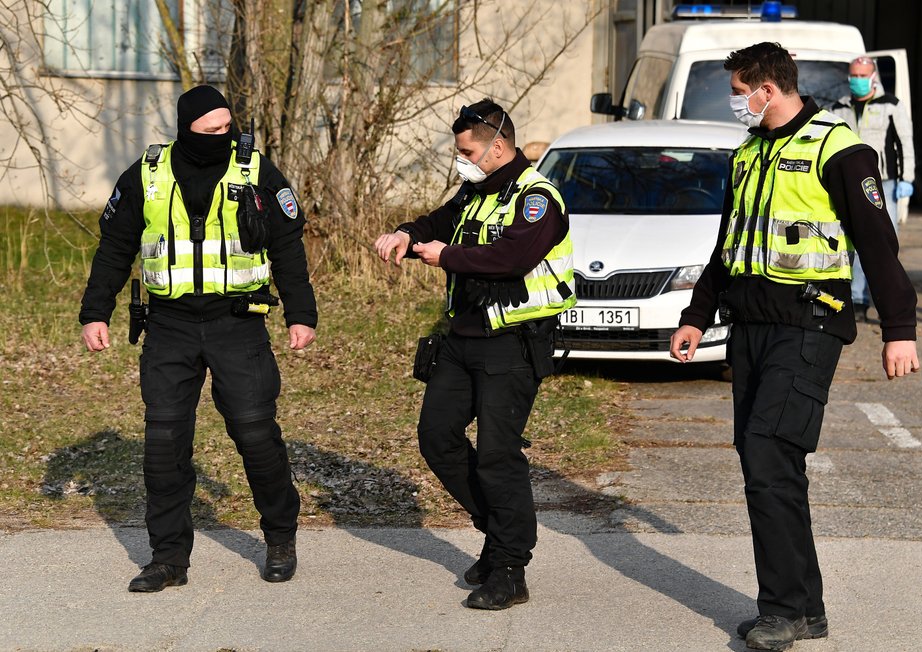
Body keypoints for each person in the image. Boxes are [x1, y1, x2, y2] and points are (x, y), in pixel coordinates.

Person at [669, 43, 919, 651]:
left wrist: (900, 329)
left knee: (767, 453)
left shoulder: (840, 148)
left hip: (810, 325)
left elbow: (878, 245)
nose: (736, 102)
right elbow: (727, 248)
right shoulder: (747, 155)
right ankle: (805, 607)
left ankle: (783, 610)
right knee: (771, 465)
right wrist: (695, 317)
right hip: (751, 328)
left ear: (768, 88)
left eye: (739, 90)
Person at [79, 85, 317, 592]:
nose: (222, 138)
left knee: (256, 436)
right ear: (186, 128)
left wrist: (302, 314)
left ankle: (280, 537)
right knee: (164, 445)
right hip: (169, 326)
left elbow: (288, 246)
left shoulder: (256, 170)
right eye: (211, 131)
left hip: (239, 323)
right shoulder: (146, 172)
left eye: (227, 128)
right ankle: (168, 559)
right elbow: (116, 247)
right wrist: (94, 312)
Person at [373, 98, 575, 610]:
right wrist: (408, 233)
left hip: (512, 344)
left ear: (497, 146)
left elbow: (511, 259)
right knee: (437, 437)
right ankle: (498, 529)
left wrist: (447, 257)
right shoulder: (476, 190)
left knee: (497, 456)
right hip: (461, 339)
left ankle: (510, 569)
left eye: (466, 150)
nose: (459, 158)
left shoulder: (538, 198)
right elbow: (442, 218)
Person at [832, 55, 916, 322]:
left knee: (884, 243)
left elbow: (905, 142)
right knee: (854, 242)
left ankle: (886, 299)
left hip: (884, 183)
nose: (856, 80)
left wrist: (907, 179)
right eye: (853, 75)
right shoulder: (838, 108)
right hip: (849, 183)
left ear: (873, 77)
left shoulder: (890, 105)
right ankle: (857, 299)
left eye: (861, 75)